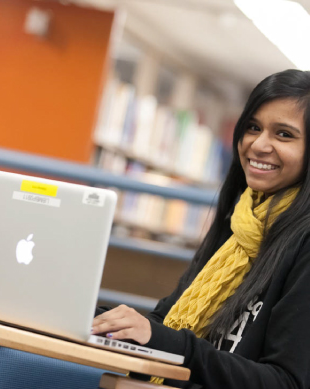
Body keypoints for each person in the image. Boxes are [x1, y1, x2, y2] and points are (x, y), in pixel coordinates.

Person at [93, 69, 310, 389]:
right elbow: (166, 320)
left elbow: (286, 382)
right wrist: (106, 322)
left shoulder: (303, 242)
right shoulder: (239, 221)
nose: (258, 145)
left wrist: (169, 342)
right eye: (253, 127)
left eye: (284, 134)